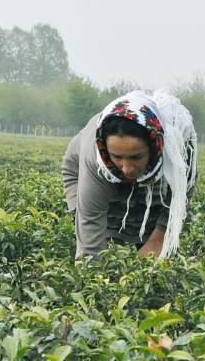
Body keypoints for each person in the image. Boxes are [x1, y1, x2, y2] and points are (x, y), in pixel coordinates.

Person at [62, 90, 197, 258]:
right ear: (105, 149)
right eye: (117, 156)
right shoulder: (95, 155)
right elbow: (91, 224)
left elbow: (180, 193)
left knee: (154, 250)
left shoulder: (178, 145)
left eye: (136, 156)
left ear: (155, 146)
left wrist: (159, 238)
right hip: (85, 172)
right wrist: (94, 277)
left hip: (154, 175)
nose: (127, 168)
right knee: (98, 240)